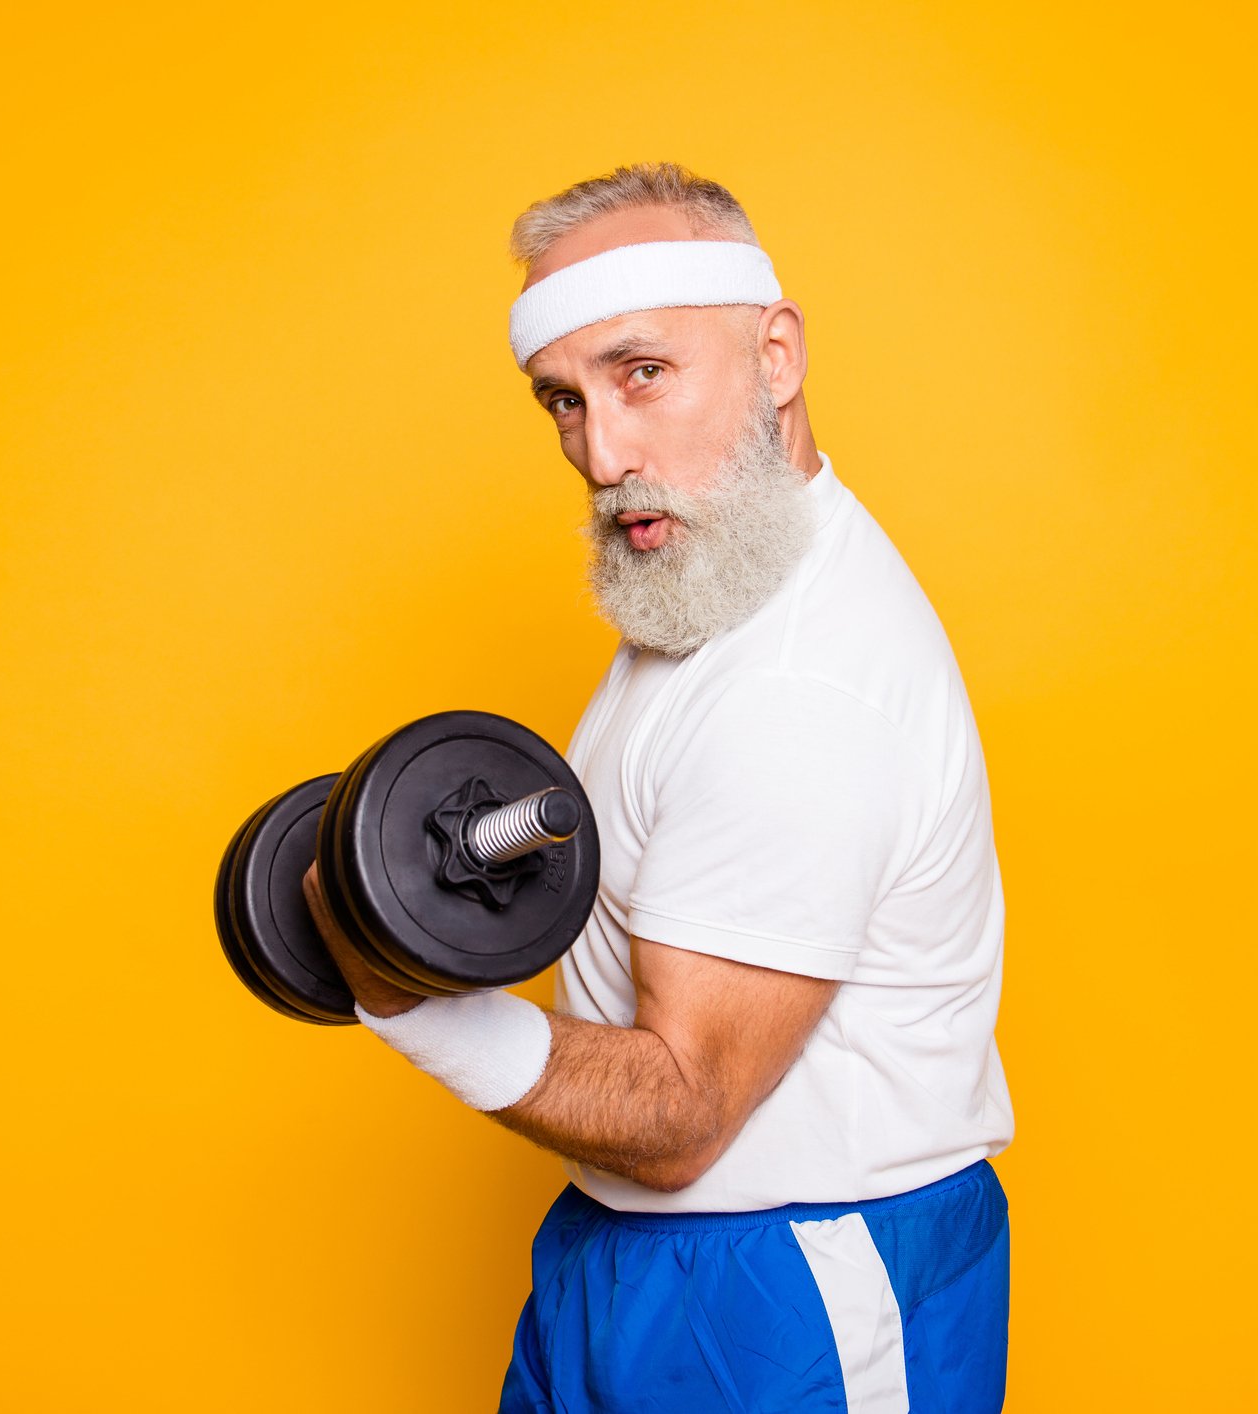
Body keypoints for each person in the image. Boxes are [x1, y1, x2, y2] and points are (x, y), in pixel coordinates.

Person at [302, 162, 1015, 1413]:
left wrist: (400, 996)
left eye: (642, 374)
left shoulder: (803, 685)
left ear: (775, 356)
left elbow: (683, 1109)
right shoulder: (710, 584)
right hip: (619, 1248)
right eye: (562, 402)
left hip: (786, 1287)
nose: (603, 451)